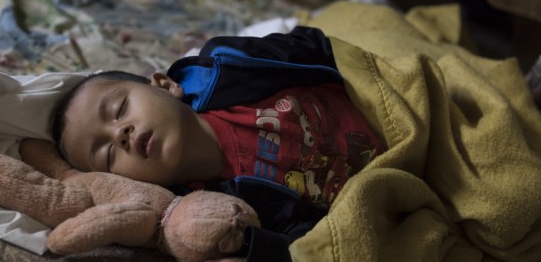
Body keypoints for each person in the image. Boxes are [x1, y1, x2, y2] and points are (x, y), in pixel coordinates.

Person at [46, 26, 386, 261]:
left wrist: (375, 78)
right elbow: (307, 236)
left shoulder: (227, 66)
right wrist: (250, 244)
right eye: (107, 153)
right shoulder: (220, 206)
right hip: (388, 181)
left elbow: (317, 49)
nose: (120, 135)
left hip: (384, 105)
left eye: (119, 109)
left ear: (164, 85)